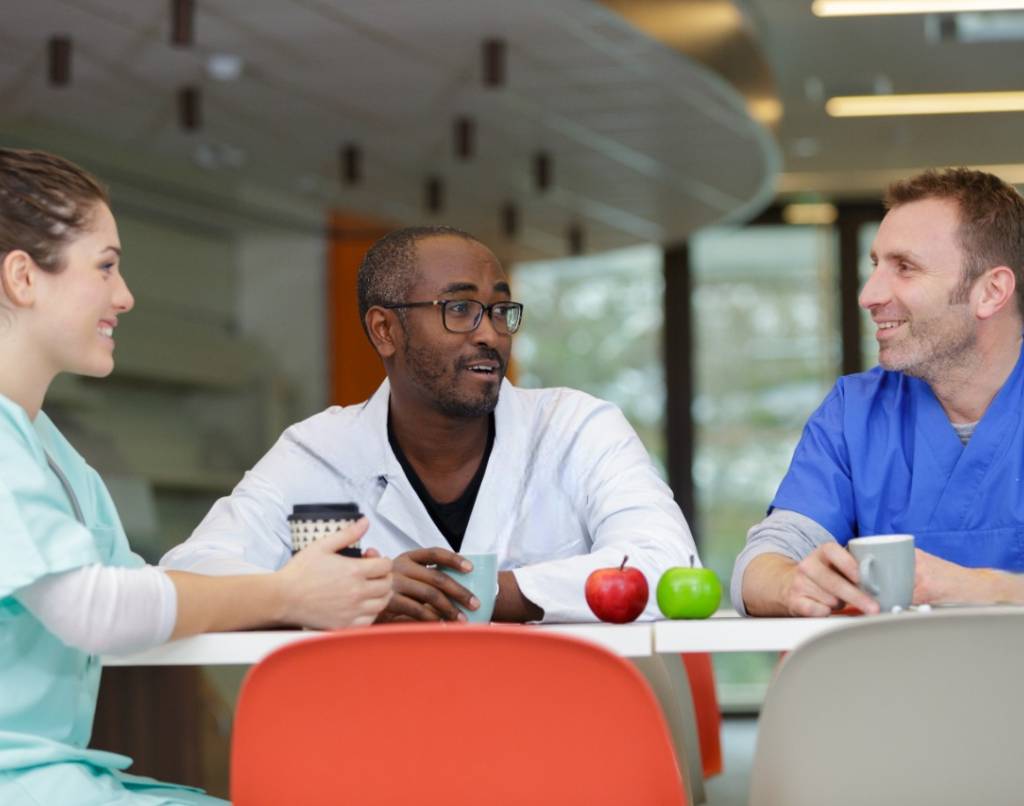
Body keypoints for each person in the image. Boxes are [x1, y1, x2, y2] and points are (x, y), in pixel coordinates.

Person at [0, 148, 393, 804]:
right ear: (22, 278)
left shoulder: (51, 453)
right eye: (105, 267)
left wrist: (321, 587)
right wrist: (286, 595)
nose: (124, 296)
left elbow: (137, 591)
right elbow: (98, 610)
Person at [161, 225, 696, 622]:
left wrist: (473, 594)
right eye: (460, 309)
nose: (490, 333)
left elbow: (668, 565)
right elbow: (192, 572)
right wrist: (352, 589)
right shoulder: (318, 452)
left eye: (500, 311)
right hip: (387, 739)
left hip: (559, 728)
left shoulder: (576, 428)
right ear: (384, 330)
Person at [733, 167, 1024, 617]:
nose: (869, 295)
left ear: (990, 291)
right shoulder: (857, 413)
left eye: (905, 268)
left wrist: (977, 588)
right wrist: (792, 582)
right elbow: (761, 564)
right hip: (893, 686)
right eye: (875, 265)